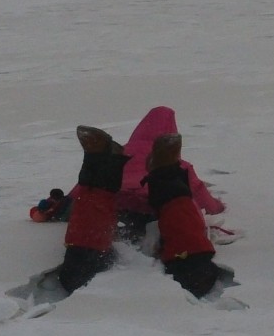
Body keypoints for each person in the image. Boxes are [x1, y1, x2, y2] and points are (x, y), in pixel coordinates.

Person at [50, 108, 230, 298]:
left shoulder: (124, 151)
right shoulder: (180, 163)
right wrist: (217, 207)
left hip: (118, 201)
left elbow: (77, 192)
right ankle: (165, 174)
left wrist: (54, 206)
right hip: (157, 203)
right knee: (178, 206)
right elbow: (203, 198)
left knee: (95, 196)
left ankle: (96, 162)